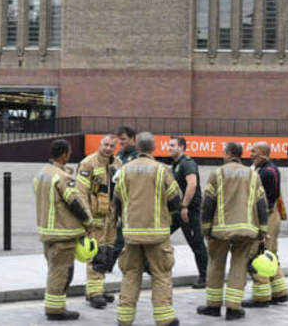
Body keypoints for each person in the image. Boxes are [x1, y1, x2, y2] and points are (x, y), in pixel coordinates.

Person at [113, 133, 182, 326]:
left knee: (131, 274)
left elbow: (116, 202)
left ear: (137, 146)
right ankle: (164, 319)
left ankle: (124, 319)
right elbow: (175, 201)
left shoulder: (125, 170)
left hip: (131, 234)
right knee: (161, 274)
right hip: (157, 234)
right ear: (154, 148)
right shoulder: (161, 170)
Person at [196, 142, 269, 320]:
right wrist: (262, 231)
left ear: (229, 154)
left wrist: (205, 228)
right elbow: (262, 205)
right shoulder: (252, 175)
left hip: (220, 230)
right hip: (246, 230)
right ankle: (233, 308)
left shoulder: (217, 174)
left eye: (223, 152)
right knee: (239, 267)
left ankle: (213, 306)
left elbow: (207, 204)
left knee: (215, 265)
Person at [34, 139, 94, 321]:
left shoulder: (41, 174)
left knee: (54, 270)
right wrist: (88, 221)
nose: (70, 155)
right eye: (69, 152)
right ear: (63, 155)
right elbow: (74, 202)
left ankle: (56, 306)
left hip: (46, 232)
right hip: (62, 234)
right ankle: (55, 310)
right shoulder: (62, 177)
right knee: (62, 272)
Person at [75, 134, 122, 309]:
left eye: (111, 146)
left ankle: (98, 289)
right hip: (94, 217)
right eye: (105, 144)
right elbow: (80, 193)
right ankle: (94, 293)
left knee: (106, 253)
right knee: (95, 253)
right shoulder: (88, 163)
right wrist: (85, 218)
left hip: (111, 216)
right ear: (100, 144)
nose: (108, 148)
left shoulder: (117, 164)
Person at [245, 142, 288, 308]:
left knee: (257, 256)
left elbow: (247, 186)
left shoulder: (265, 172)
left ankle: (261, 297)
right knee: (271, 255)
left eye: (253, 151)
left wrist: (252, 167)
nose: (250, 154)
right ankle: (280, 293)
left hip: (266, 218)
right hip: (271, 217)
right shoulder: (269, 169)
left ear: (263, 153)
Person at [168, 136, 208, 289]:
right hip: (176, 211)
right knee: (161, 235)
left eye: (172, 145)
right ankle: (149, 266)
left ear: (181, 147)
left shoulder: (187, 163)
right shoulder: (176, 164)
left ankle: (205, 276)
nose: (169, 148)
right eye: (169, 145)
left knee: (196, 243)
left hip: (188, 211)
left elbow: (192, 184)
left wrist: (185, 206)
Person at [112, 126, 138, 266]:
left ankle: (108, 263)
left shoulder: (137, 156)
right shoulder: (121, 153)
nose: (120, 142)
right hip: (117, 197)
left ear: (132, 139)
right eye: (119, 139)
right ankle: (146, 265)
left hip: (130, 200)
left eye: (123, 139)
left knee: (121, 233)